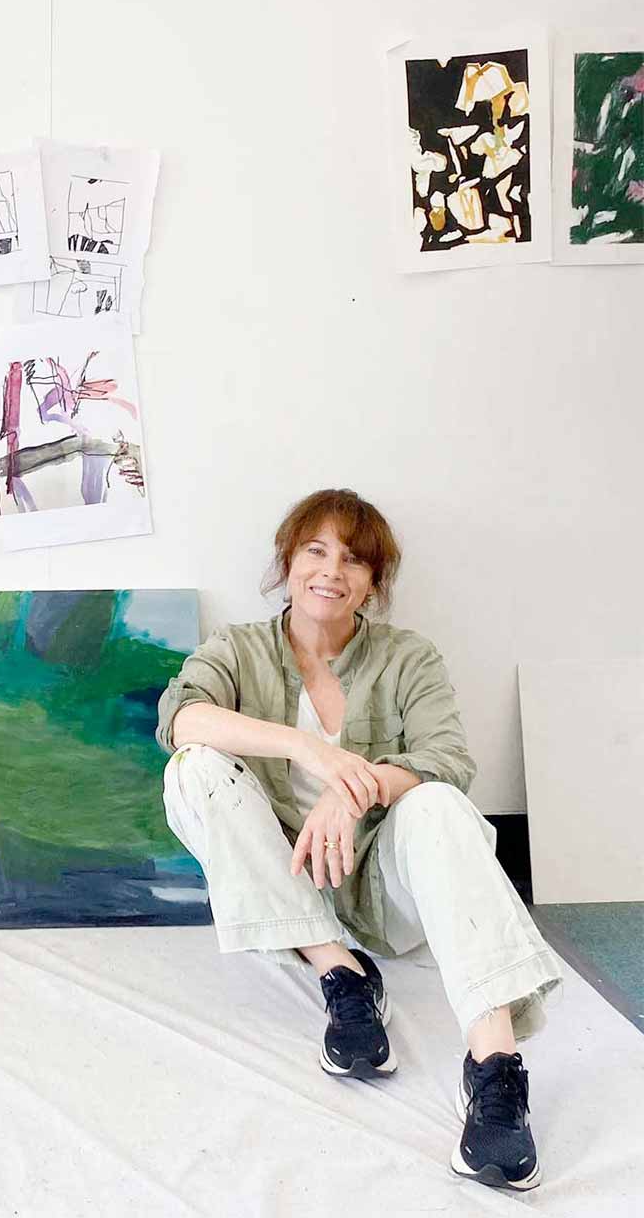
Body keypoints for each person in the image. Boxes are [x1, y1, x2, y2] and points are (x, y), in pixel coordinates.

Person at [156, 489, 564, 1191]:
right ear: (288, 560)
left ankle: (494, 1068)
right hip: (284, 873)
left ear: (374, 582)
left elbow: (448, 758)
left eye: (353, 559)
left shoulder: (408, 658)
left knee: (437, 802)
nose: (331, 570)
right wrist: (310, 751)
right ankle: (340, 971)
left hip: (382, 883)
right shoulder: (238, 648)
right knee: (191, 771)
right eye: (315, 550)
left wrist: (358, 788)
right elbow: (183, 719)